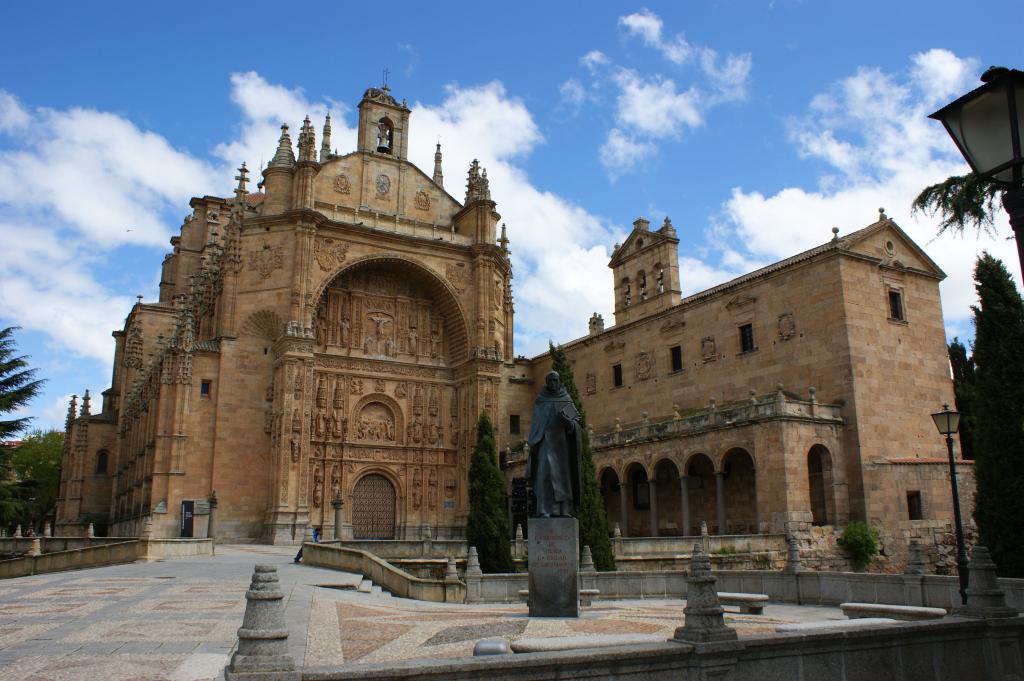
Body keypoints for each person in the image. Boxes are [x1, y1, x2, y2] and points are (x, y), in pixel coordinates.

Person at [527, 371, 582, 517]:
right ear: (546, 382)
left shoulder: (565, 399)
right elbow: (535, 423)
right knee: (544, 475)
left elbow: (576, 423)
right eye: (550, 380)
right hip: (544, 442)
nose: (553, 383)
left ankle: (563, 510)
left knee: (563, 478)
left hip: (561, 445)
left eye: (555, 380)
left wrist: (568, 423)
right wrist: (534, 442)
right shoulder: (541, 400)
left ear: (559, 381)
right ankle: (544, 510)